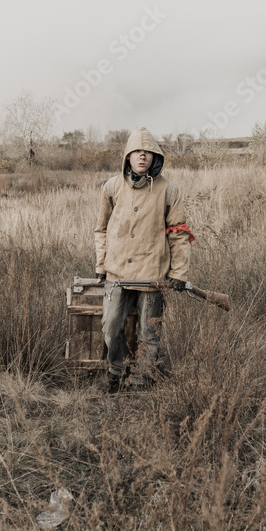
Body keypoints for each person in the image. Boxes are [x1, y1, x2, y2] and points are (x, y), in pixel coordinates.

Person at [94, 127, 193, 393]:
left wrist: (179, 273)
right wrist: (100, 265)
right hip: (116, 272)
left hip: (152, 273)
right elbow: (101, 229)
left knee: (149, 333)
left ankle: (143, 378)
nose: (142, 157)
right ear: (127, 156)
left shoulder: (169, 190)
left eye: (148, 153)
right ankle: (117, 370)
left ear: (155, 157)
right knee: (111, 327)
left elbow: (179, 234)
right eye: (137, 152)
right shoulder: (112, 186)